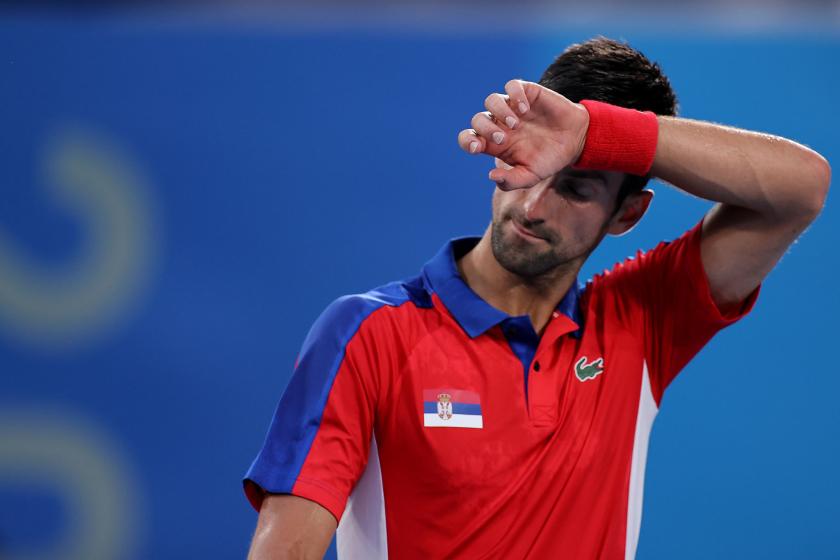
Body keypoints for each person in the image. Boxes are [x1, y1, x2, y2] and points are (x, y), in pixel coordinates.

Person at [243, 38, 830, 560]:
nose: (532, 205)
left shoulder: (641, 320)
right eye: (526, 163)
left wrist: (594, 133)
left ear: (628, 214)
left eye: (575, 187)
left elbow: (803, 187)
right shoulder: (367, 333)